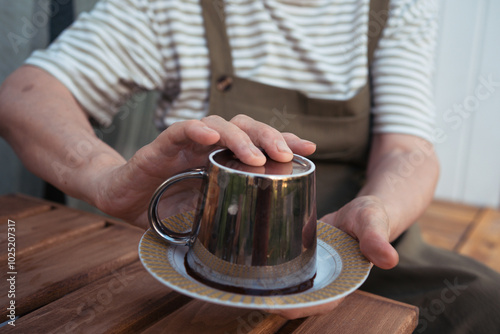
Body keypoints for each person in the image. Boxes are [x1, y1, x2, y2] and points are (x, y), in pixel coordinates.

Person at [0, 0, 498, 332]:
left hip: (356, 243)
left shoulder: (394, 7)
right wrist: (107, 179)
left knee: (484, 303)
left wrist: (378, 210)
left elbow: (408, 152)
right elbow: (25, 96)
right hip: (208, 253)